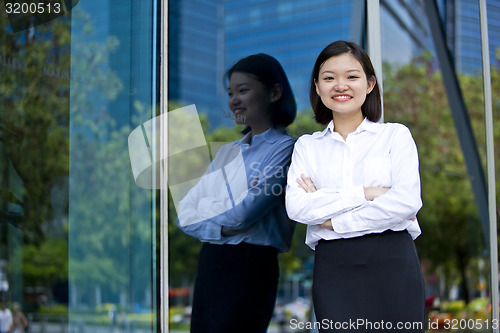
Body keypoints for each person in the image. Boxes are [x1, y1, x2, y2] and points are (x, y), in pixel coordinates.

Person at [285, 40, 425, 332]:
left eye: (351, 76)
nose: (340, 85)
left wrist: (331, 219)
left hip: (393, 262)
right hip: (335, 268)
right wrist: (367, 193)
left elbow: (406, 203)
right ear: (317, 86)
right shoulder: (307, 147)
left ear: (370, 83)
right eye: (329, 78)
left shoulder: (395, 137)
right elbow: (297, 206)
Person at [177, 54, 297, 333]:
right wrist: (222, 228)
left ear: (275, 93)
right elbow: (185, 213)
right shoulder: (228, 151)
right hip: (211, 263)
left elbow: (244, 214)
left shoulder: (287, 148)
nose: (233, 100)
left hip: (251, 267)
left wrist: (210, 206)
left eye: (243, 90)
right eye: (230, 93)